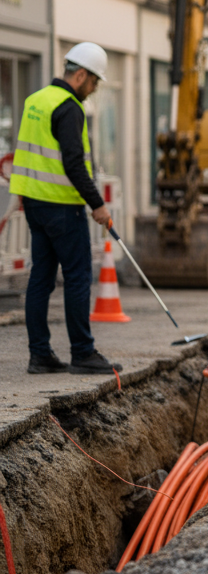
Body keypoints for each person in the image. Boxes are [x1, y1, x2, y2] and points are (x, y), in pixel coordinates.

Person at [9, 43, 122, 375]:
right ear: (81, 75)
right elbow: (74, 164)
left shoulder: (36, 100)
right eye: (94, 82)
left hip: (33, 203)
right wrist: (97, 204)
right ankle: (83, 353)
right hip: (61, 206)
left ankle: (39, 355)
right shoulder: (69, 107)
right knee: (77, 277)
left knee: (40, 278)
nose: (94, 89)